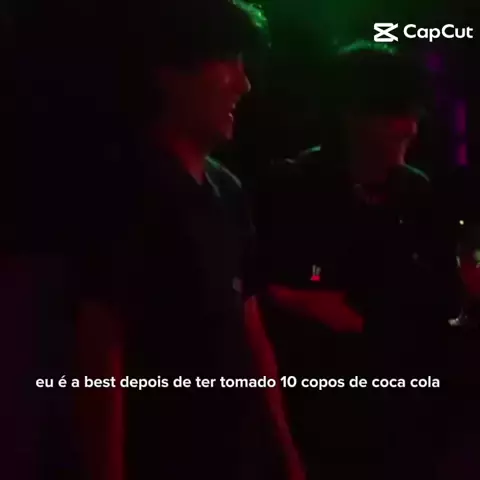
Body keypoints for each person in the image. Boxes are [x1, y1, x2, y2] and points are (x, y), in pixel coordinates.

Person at [76, 2, 304, 480]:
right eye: (228, 61)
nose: (244, 84)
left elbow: (252, 333)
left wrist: (286, 456)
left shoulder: (228, 190)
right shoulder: (128, 187)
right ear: (170, 71)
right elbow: (101, 349)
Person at [255, 41, 458, 479]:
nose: (409, 128)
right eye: (394, 114)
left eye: (413, 114)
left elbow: (440, 296)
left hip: (407, 411)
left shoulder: (416, 193)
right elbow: (273, 293)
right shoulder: (294, 186)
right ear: (350, 114)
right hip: (323, 414)